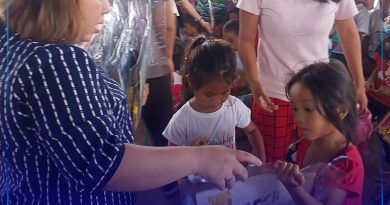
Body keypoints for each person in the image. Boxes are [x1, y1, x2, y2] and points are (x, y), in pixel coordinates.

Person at [0, 0, 262, 204]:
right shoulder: (58, 61)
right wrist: (200, 158)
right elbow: (103, 165)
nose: (105, 9)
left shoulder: (13, 43)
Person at [237, 0, 368, 163]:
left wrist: (359, 84)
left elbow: (348, 33)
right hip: (271, 95)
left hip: (319, 96)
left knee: (312, 163)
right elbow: (246, 40)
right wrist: (254, 81)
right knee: (271, 161)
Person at [274, 61, 364, 205]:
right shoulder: (304, 143)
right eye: (295, 109)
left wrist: (292, 187)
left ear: (340, 111)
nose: (299, 119)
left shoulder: (347, 162)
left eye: (308, 109)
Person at [163, 36, 266, 162]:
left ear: (233, 81)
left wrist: (260, 156)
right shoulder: (182, 119)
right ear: (191, 82)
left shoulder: (234, 106)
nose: (217, 100)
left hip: (229, 176)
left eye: (224, 92)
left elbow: (252, 130)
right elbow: (172, 157)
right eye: (209, 95)